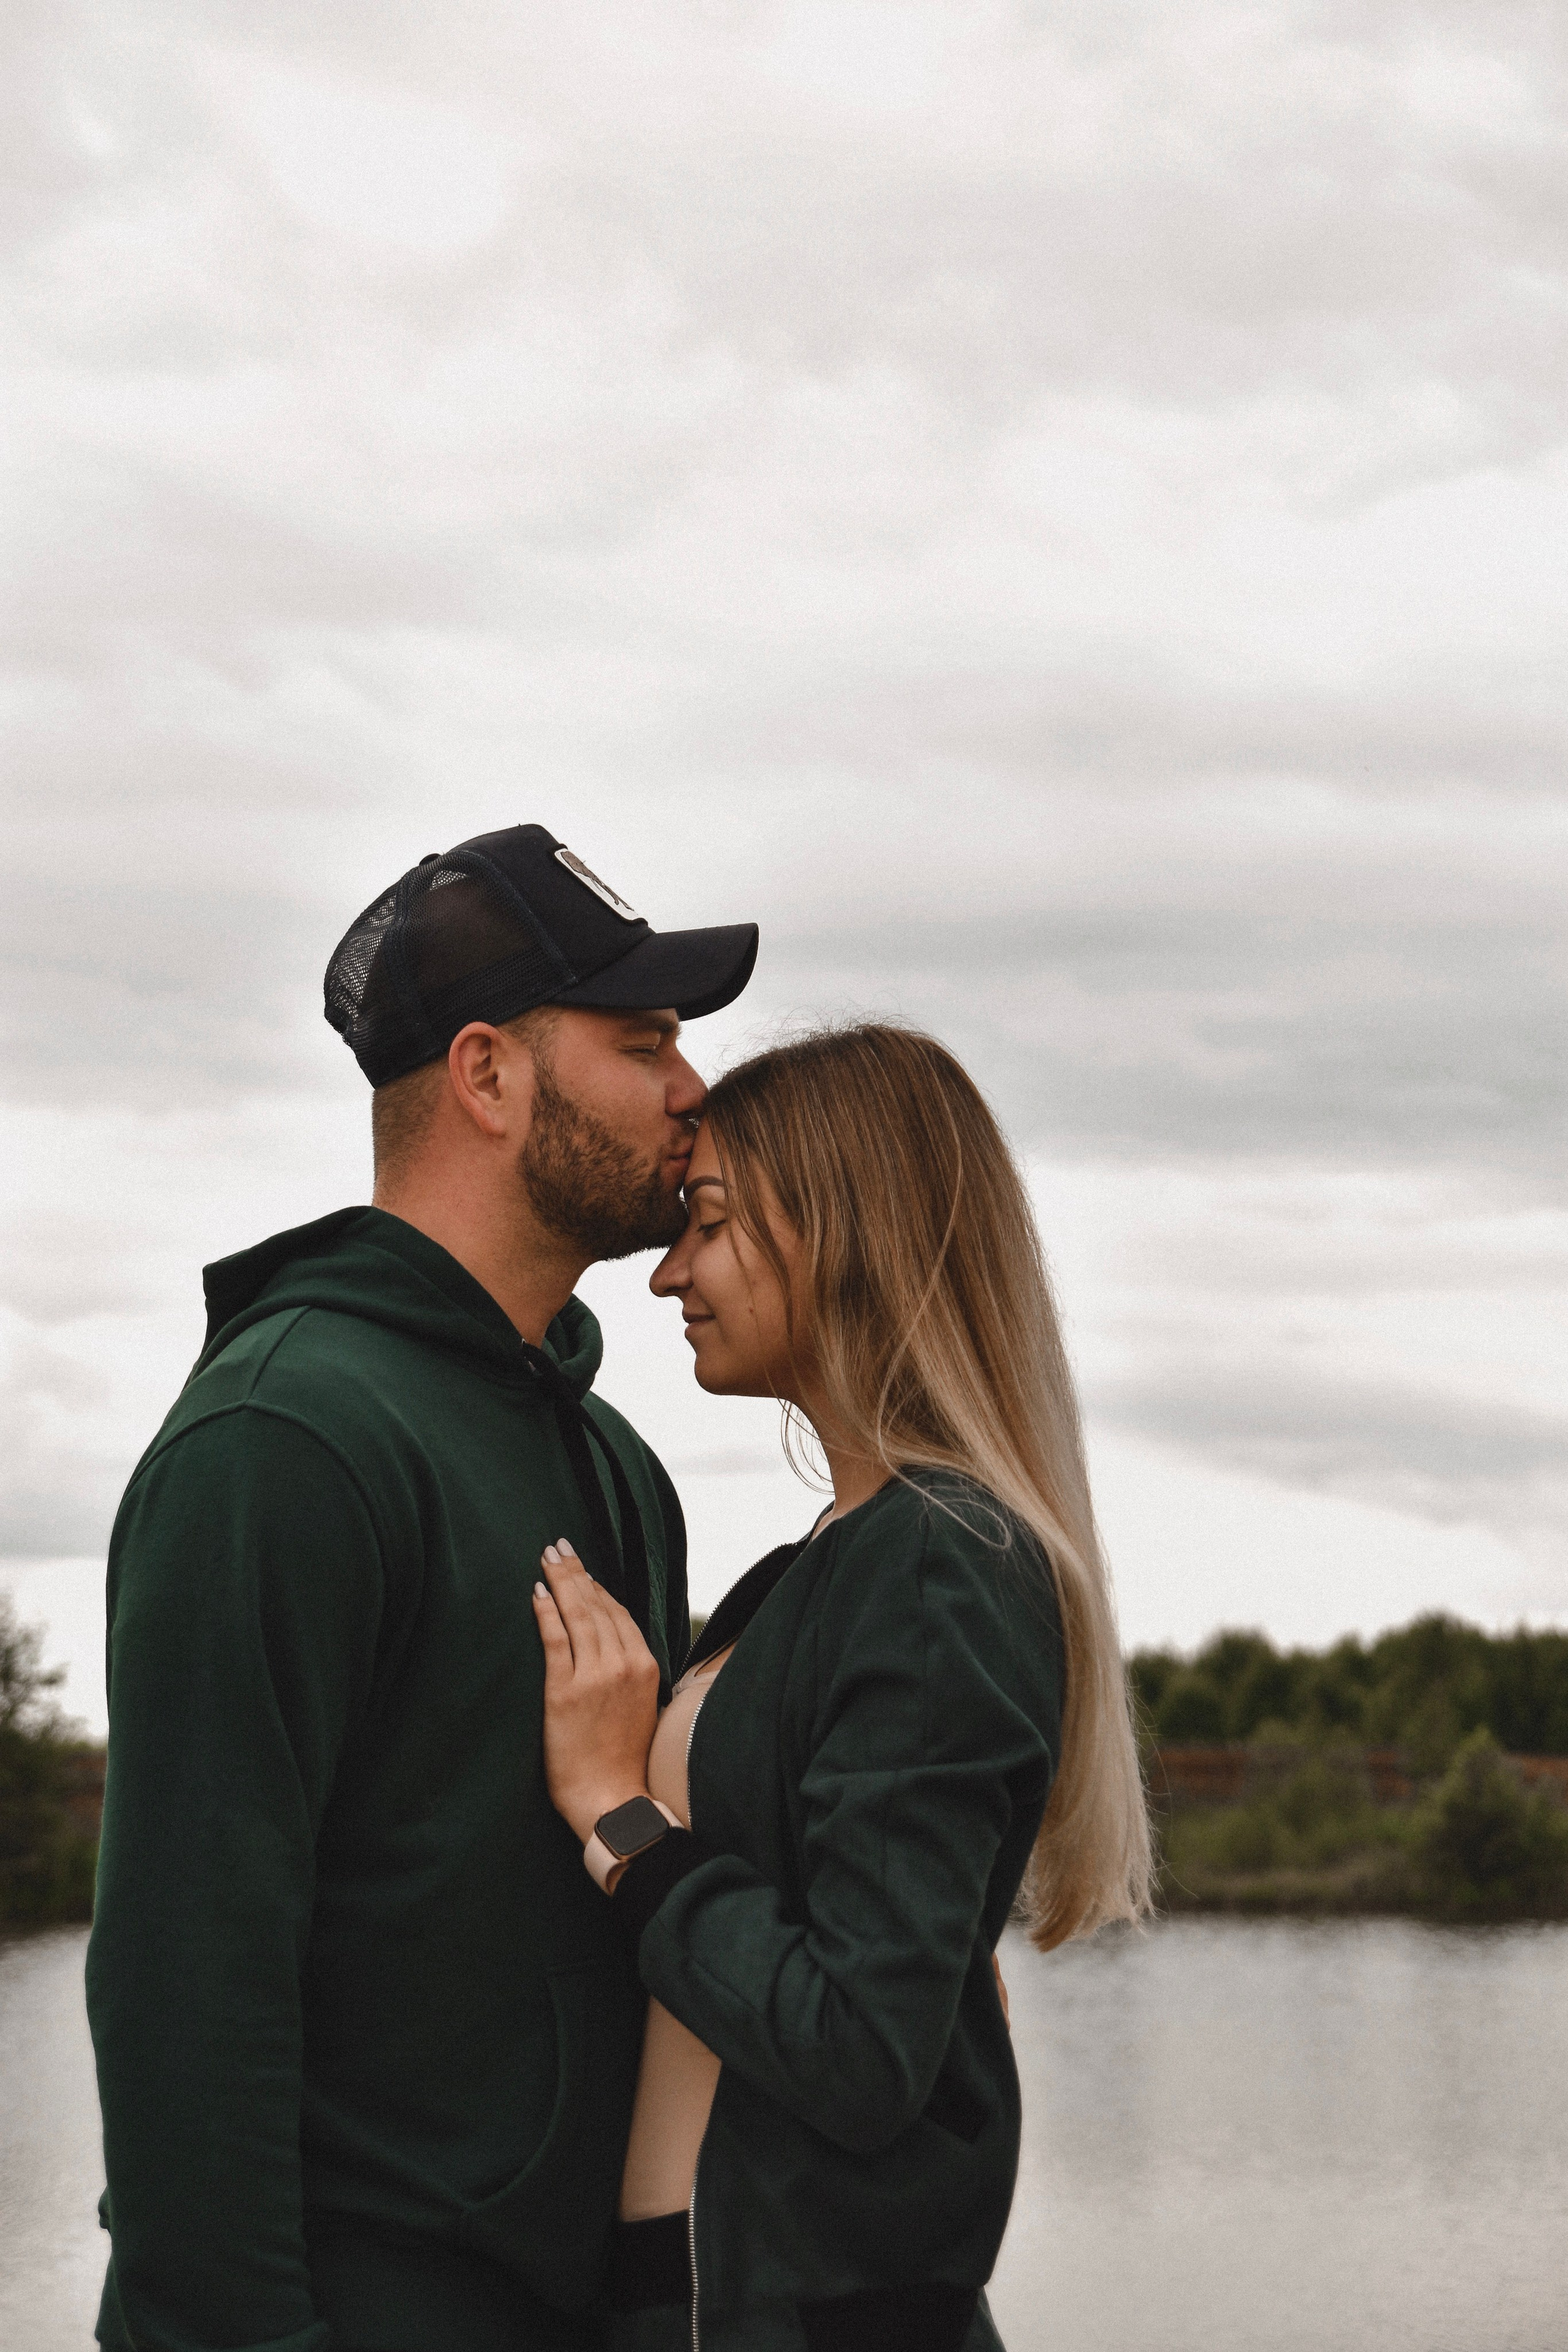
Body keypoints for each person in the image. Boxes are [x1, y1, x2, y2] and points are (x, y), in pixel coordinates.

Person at [86, 824, 758, 2352]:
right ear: (487, 1075)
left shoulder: (614, 1463)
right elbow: (190, 1988)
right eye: (642, 1037)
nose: (689, 1088)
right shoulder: (283, 1441)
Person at [530, 1022, 1154, 2352]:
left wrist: (617, 1820)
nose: (665, 1274)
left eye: (706, 1221)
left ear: (844, 1231)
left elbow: (860, 2052)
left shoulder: (938, 1564)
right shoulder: (817, 1569)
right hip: (695, 2298)